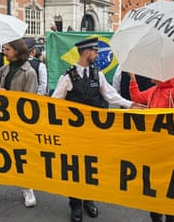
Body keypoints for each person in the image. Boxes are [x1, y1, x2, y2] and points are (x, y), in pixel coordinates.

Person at [52, 37, 144, 222]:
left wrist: (130, 104)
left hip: (94, 133)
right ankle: (75, 205)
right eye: (95, 52)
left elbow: (111, 95)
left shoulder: (97, 74)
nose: (96, 55)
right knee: (75, 169)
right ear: (87, 53)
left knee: (91, 167)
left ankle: (89, 200)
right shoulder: (68, 77)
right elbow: (54, 102)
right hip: (75, 133)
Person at [0, 39, 38, 207]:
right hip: (1, 120)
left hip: (19, 122)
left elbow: (30, 102)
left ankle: (27, 187)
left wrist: (8, 96)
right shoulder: (5, 68)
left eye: (7, 49)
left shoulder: (29, 72)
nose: (4, 52)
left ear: (17, 51)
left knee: (21, 155)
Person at [129, 73, 174, 222]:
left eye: (155, 72)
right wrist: (132, 79)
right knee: (152, 187)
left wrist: (170, 72)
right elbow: (137, 97)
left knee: (169, 189)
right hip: (152, 149)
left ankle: (170, 218)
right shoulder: (153, 90)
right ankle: (155, 217)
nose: (150, 75)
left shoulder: (172, 93)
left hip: (169, 151)